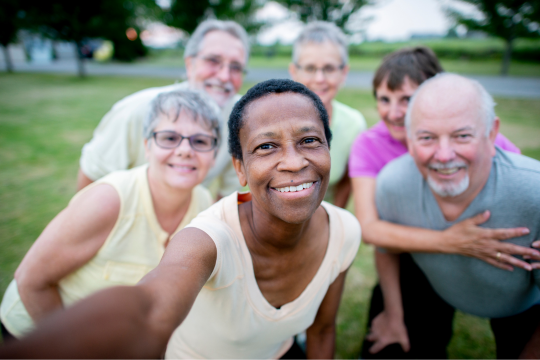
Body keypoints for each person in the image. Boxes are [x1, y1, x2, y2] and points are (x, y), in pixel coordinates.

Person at [0, 79, 361, 359]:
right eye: (266, 146)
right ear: (240, 168)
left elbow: (323, 329)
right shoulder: (206, 232)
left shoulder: (344, 231)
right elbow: (150, 308)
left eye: (310, 140)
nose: (295, 162)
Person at [348, 47, 540, 358]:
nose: (394, 112)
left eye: (406, 99)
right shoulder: (377, 155)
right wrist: (451, 241)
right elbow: (372, 231)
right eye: (385, 99)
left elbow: (513, 190)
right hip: (419, 251)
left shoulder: (495, 152)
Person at [0, 90, 219, 340]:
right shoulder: (108, 200)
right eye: (169, 138)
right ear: (147, 147)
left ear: (214, 155)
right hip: (39, 333)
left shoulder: (203, 204)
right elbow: (30, 281)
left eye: (200, 141)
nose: (185, 150)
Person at [77, 19, 249, 197]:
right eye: (213, 61)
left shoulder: (242, 118)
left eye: (236, 67)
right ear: (190, 64)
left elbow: (228, 195)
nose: (224, 76)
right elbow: (91, 180)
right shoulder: (137, 110)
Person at [289, 21, 366, 208]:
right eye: (310, 68)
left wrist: (332, 224)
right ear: (294, 71)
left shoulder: (353, 125)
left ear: (344, 72)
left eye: (329, 68)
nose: (319, 79)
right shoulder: (272, 119)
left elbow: (346, 183)